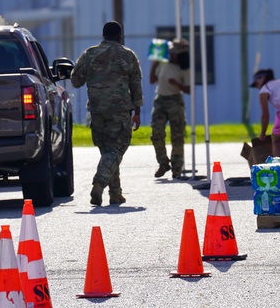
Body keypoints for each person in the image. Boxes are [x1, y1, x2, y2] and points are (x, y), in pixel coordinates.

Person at [71, 21, 143, 206]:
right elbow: (136, 86)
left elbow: (76, 81)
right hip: (119, 111)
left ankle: (115, 193)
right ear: (120, 35)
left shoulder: (90, 54)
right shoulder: (128, 55)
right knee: (116, 149)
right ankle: (99, 183)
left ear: (103, 35)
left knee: (108, 151)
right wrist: (137, 112)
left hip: (97, 111)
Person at [150, 39, 191, 179]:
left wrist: (177, 84)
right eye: (171, 53)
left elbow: (189, 90)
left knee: (177, 136)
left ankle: (177, 168)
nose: (172, 56)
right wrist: (155, 62)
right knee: (156, 133)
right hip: (160, 100)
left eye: (175, 54)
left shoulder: (184, 68)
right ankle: (163, 163)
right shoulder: (164, 63)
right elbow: (151, 80)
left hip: (175, 101)